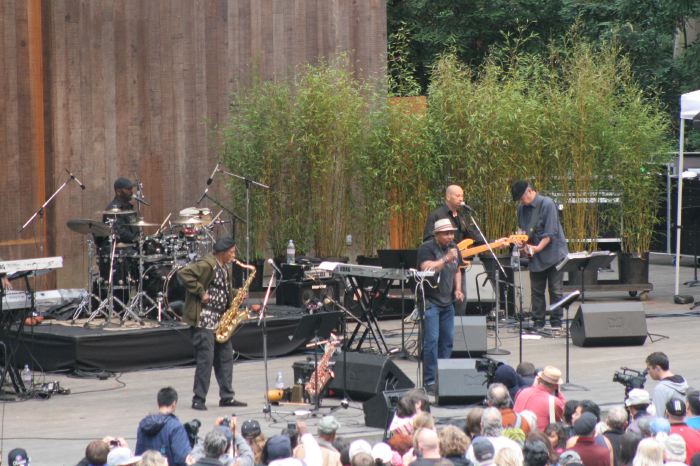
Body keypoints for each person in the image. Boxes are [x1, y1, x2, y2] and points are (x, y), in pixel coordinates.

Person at [178, 237, 247, 410]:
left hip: (220, 321)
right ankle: (198, 399)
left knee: (226, 358)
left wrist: (237, 293)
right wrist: (201, 292)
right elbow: (184, 274)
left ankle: (227, 397)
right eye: (231, 252)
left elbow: (220, 289)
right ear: (222, 253)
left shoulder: (224, 267)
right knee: (206, 360)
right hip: (204, 320)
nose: (234, 255)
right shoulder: (207, 264)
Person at [511, 180, 568, 330]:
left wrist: (536, 248)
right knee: (536, 290)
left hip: (553, 253)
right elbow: (523, 231)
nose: (521, 202)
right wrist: (520, 243)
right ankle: (538, 321)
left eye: (522, 198)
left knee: (555, 290)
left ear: (530, 191)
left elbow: (550, 234)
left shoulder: (547, 203)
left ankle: (556, 322)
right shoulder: (521, 209)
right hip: (535, 254)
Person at [417, 218, 464, 394]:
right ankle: (429, 381)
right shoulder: (426, 248)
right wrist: (445, 258)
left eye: (452, 233)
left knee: (447, 341)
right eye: (446, 233)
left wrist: (458, 289)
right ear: (437, 234)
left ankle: (442, 377)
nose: (450, 236)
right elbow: (426, 269)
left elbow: (458, 270)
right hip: (431, 301)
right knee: (431, 341)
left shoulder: (454, 247)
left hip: (448, 302)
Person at [135, 386, 191, 466]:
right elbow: (182, 458)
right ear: (174, 404)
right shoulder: (175, 427)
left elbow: (138, 456)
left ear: (158, 403)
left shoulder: (143, 424)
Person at [513, 366, 567, 431]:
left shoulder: (521, 392)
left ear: (539, 380)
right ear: (556, 386)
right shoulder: (553, 401)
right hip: (537, 436)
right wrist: (559, 393)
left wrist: (533, 386)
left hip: (515, 434)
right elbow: (564, 415)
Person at [645, 352, 688, 417]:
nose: (648, 372)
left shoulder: (661, 389)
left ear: (657, 368)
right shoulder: (683, 381)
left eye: (649, 369)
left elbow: (658, 416)